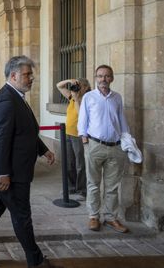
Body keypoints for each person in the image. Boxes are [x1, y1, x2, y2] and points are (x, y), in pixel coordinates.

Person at [0, 56, 58, 268]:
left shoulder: (16, 96)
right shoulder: (6, 100)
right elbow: (1, 138)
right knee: (22, 215)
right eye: (27, 75)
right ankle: (36, 261)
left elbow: (24, 131)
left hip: (10, 169)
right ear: (13, 75)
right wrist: (3, 173)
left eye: (31, 75)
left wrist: (43, 149)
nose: (31, 79)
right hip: (10, 172)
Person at [78, 65, 130, 233]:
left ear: (112, 78)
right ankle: (93, 216)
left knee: (112, 186)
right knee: (93, 183)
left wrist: (126, 140)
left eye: (107, 76)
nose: (103, 79)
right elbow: (82, 119)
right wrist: (84, 139)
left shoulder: (117, 98)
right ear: (95, 78)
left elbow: (121, 120)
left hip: (116, 147)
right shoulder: (88, 97)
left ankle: (111, 218)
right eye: (100, 76)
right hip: (94, 145)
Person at [55, 78, 91, 201]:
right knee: (69, 162)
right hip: (68, 133)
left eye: (80, 86)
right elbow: (58, 85)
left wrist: (76, 99)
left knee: (80, 164)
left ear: (86, 87)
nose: (78, 88)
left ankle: (82, 191)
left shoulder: (87, 99)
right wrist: (70, 81)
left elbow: (81, 115)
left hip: (79, 135)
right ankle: (70, 187)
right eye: (77, 85)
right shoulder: (71, 96)